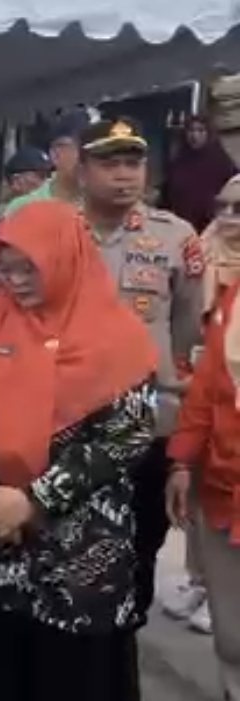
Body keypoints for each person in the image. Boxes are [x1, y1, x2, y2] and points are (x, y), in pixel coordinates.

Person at [0, 200, 156, 701]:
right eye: (5, 268)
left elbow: (126, 437)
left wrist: (33, 501)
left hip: (79, 548)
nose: (15, 281)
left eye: (29, 268)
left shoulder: (118, 335)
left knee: (71, 693)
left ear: (65, 261)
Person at [78, 117, 204, 627]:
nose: (124, 174)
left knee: (140, 546)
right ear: (82, 171)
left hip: (147, 424)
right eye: (110, 163)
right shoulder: (56, 231)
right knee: (73, 548)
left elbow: (187, 331)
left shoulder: (175, 237)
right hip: (72, 422)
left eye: (133, 163)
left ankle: (123, 640)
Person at [159, 175, 240, 634]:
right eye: (222, 207)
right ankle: (203, 580)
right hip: (204, 394)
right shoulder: (202, 253)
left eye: (239, 210)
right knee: (200, 500)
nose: (228, 219)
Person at [166, 271, 240, 701]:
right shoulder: (232, 303)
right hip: (221, 490)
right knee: (231, 631)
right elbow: (206, 390)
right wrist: (182, 461)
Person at [5, 109, 92, 215]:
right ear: (56, 155)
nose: (91, 158)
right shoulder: (23, 208)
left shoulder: (104, 204)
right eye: (82, 148)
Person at [161, 115, 238, 234]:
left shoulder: (222, 163)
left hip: (213, 230)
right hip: (181, 229)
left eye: (201, 130)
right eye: (191, 130)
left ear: (209, 134)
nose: (195, 135)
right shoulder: (178, 163)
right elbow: (166, 197)